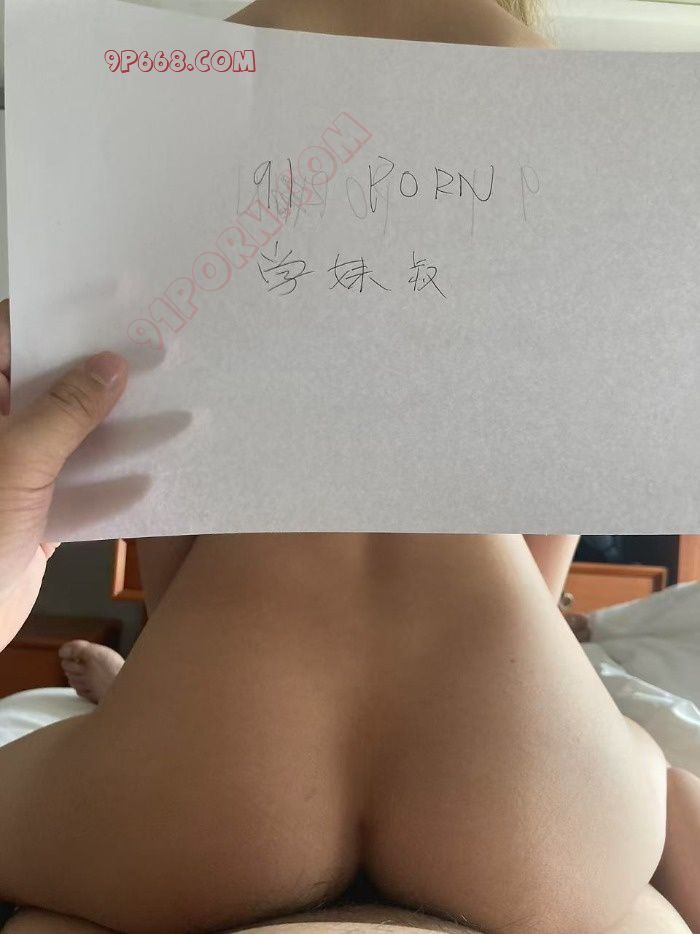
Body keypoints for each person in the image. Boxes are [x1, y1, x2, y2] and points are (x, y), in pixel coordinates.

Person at [0, 1, 699, 930]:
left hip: (208, 769)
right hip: (523, 778)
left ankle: (134, 698)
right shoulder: (558, 85)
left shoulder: (193, 66)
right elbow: (551, 493)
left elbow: (166, 502)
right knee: (653, 780)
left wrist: (174, 693)